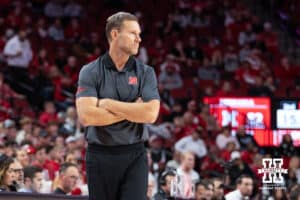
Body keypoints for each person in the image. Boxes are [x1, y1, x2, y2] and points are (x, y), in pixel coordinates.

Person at [76, 12, 160, 200]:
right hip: (99, 155)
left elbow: (151, 114)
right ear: (115, 34)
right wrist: (132, 109)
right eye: (133, 33)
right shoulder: (90, 71)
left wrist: (108, 104)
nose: (139, 38)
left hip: (135, 154)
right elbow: (87, 117)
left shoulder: (146, 72)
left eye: (139, 34)